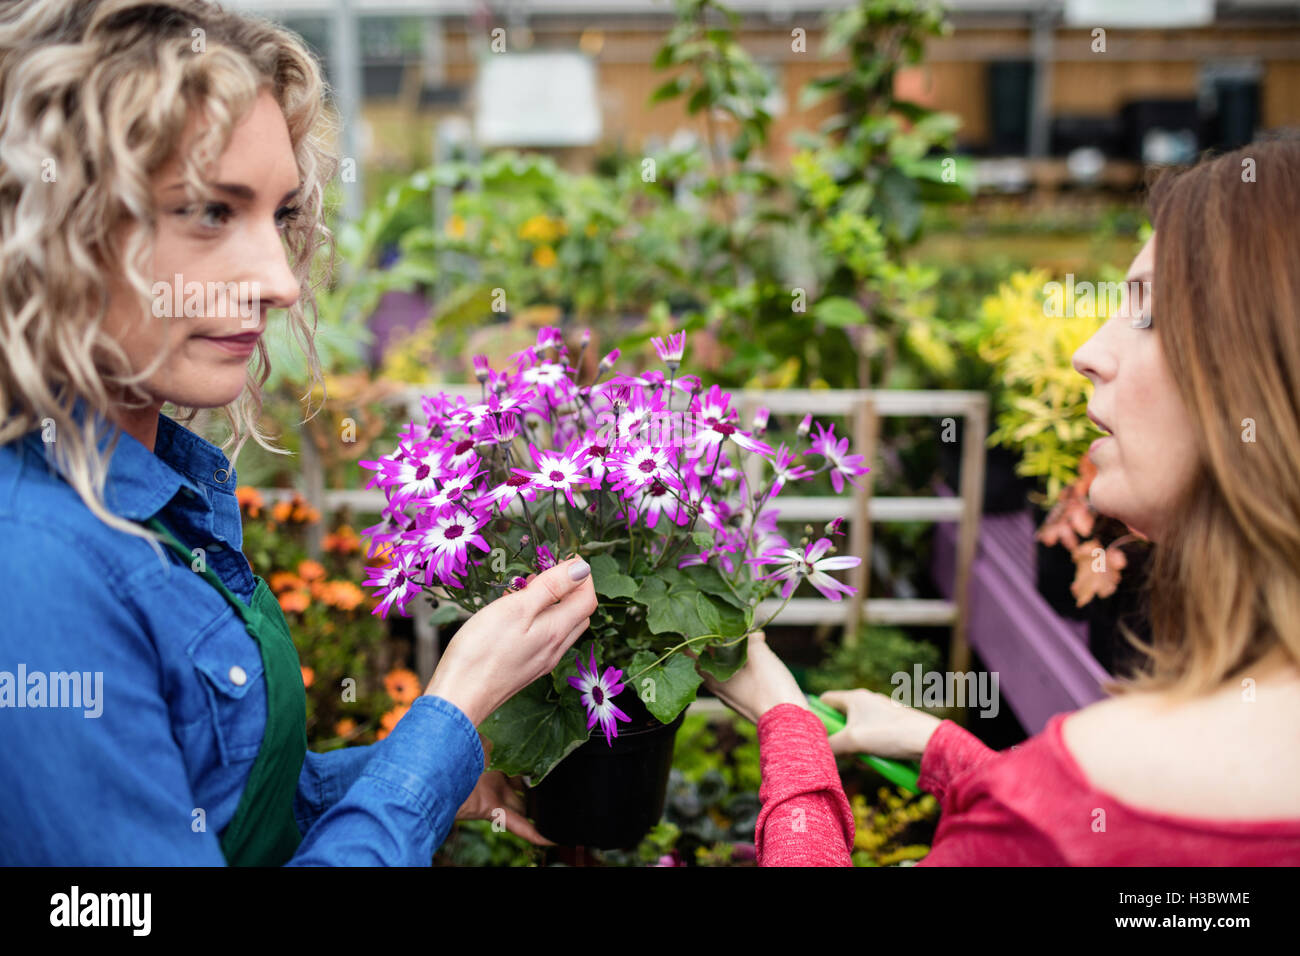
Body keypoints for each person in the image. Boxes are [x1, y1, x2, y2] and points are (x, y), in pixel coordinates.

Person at [0, 0, 597, 865]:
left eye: (280, 216)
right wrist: (454, 708)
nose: (279, 280)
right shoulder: (36, 572)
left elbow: (226, 805)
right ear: (51, 229)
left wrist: (438, 773)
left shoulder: (144, 484)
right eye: (209, 212)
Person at [704, 137, 1300, 866]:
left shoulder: (1070, 807)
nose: (1088, 350)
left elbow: (1058, 831)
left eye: (1146, 313)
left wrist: (786, 725)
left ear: (1262, 380)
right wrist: (941, 749)